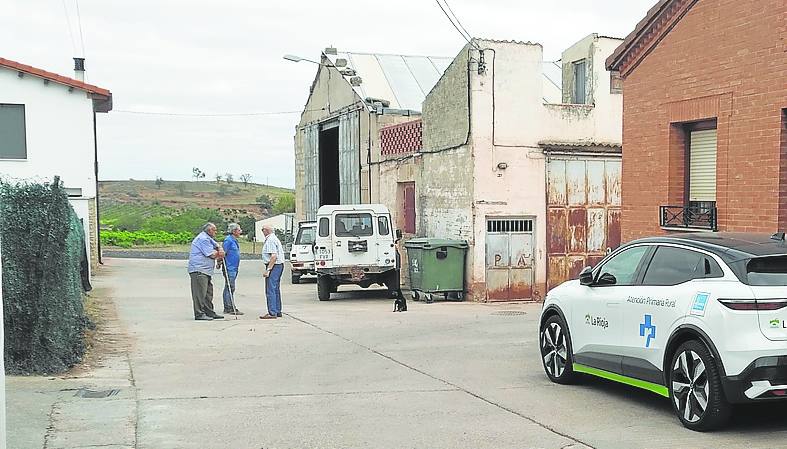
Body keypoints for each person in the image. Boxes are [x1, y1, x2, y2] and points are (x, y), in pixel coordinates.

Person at [188, 222, 225, 321]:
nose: (216, 232)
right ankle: (199, 314)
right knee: (200, 293)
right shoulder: (203, 239)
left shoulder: (209, 238)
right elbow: (211, 254)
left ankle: (209, 312)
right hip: (199, 269)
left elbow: (217, 245)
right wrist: (219, 253)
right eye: (214, 230)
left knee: (208, 292)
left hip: (206, 270)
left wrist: (220, 249)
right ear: (209, 230)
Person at [260, 224, 285, 319]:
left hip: (274, 265)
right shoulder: (274, 238)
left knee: (270, 289)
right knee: (275, 289)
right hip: (278, 265)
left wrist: (268, 270)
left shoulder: (270, 240)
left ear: (266, 230)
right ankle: (277, 310)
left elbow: (274, 256)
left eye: (262, 230)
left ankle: (272, 312)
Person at [222, 223, 244, 315]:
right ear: (234, 231)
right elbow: (223, 253)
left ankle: (229, 305)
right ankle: (229, 307)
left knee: (231, 287)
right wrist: (219, 263)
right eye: (239, 230)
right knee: (230, 287)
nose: (240, 231)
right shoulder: (228, 240)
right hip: (229, 267)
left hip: (234, 267)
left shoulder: (234, 240)